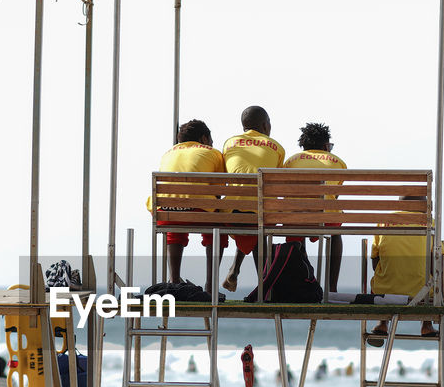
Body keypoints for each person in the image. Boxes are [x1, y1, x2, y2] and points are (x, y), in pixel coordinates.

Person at [149, 119, 228, 288]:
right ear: (204, 138)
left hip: (165, 213)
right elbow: (219, 190)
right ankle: (210, 285)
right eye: (211, 140)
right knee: (218, 230)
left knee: (175, 229)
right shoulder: (212, 152)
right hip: (198, 212)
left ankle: (174, 279)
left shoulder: (168, 153)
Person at [220, 106, 285, 293]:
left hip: (231, 213)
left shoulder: (228, 144)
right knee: (258, 217)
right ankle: (265, 286)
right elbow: (276, 183)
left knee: (248, 212)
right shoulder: (277, 147)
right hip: (260, 213)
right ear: (265, 125)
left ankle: (234, 270)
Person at [282, 122, 347, 291]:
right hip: (326, 219)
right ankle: (332, 288)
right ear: (326, 146)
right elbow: (335, 195)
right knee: (336, 232)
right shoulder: (339, 163)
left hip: (296, 220)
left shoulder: (290, 161)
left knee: (296, 220)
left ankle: (304, 281)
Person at [367, 196, 436, 347]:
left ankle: (382, 323)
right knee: (431, 279)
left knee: (381, 276)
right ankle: (427, 325)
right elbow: (437, 262)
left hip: (385, 292)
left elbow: (374, 262)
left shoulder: (384, 221)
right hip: (421, 293)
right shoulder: (430, 222)